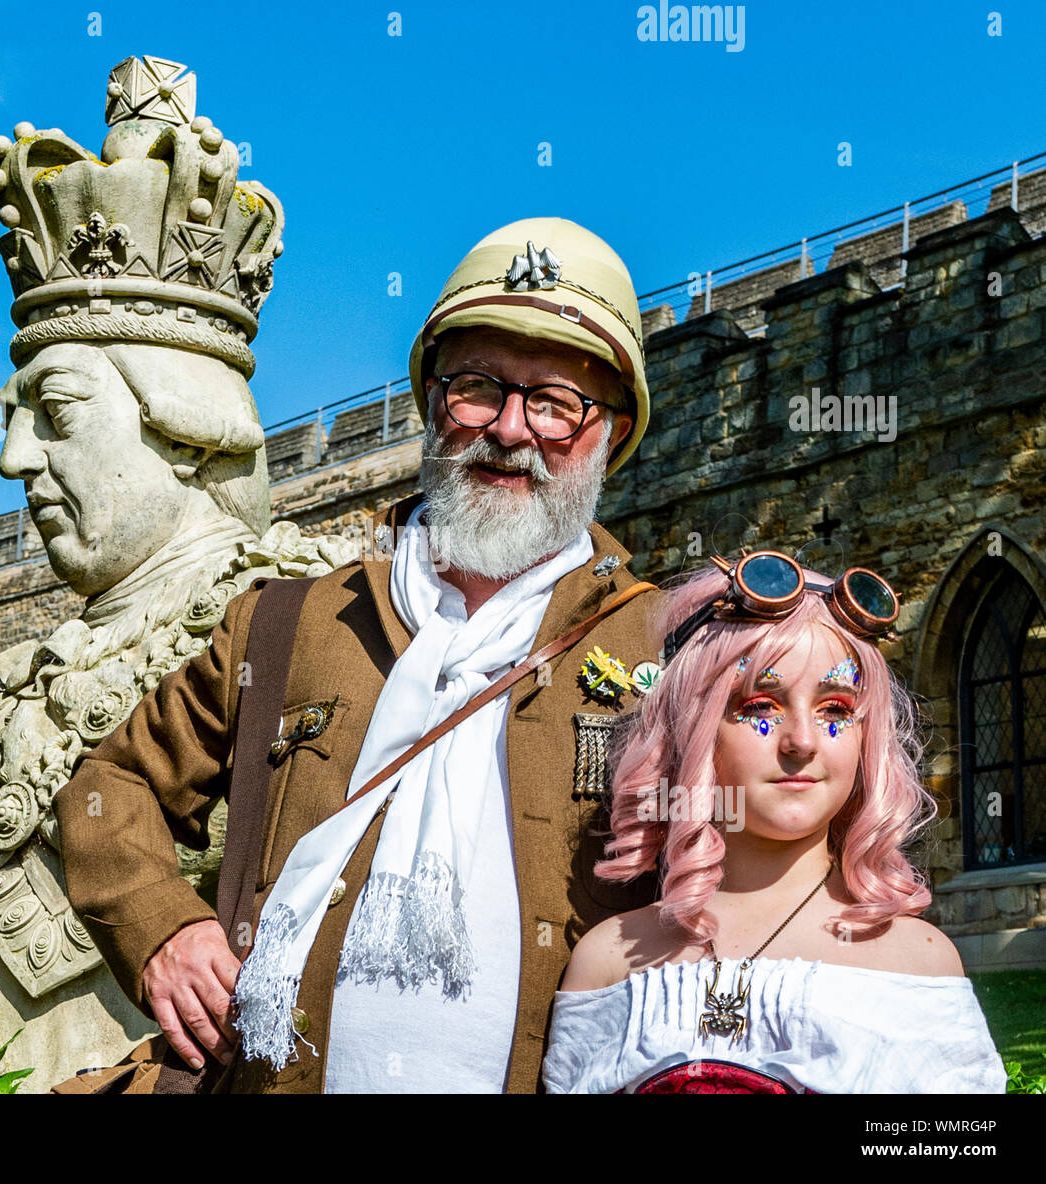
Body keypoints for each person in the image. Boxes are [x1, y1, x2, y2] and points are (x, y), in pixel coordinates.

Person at [55, 217, 669, 1092]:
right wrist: (160, 926)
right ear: (430, 402)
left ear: (609, 433)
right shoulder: (285, 624)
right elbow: (102, 790)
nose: (510, 428)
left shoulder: (667, 646)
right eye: (477, 387)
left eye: (557, 402)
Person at [543, 552, 1007, 1093]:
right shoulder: (609, 961)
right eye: (761, 706)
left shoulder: (916, 964)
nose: (802, 742)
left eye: (835, 710)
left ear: (868, 736)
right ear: (690, 726)